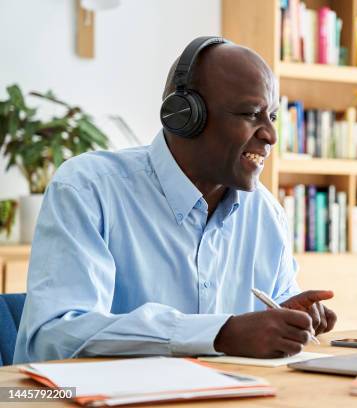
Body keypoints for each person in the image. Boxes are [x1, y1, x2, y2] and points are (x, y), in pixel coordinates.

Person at [14, 38, 336, 363]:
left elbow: (274, 301)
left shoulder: (266, 213)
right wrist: (221, 333)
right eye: (252, 114)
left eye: (274, 117)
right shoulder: (89, 190)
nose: (270, 135)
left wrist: (289, 315)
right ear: (184, 116)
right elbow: (55, 337)